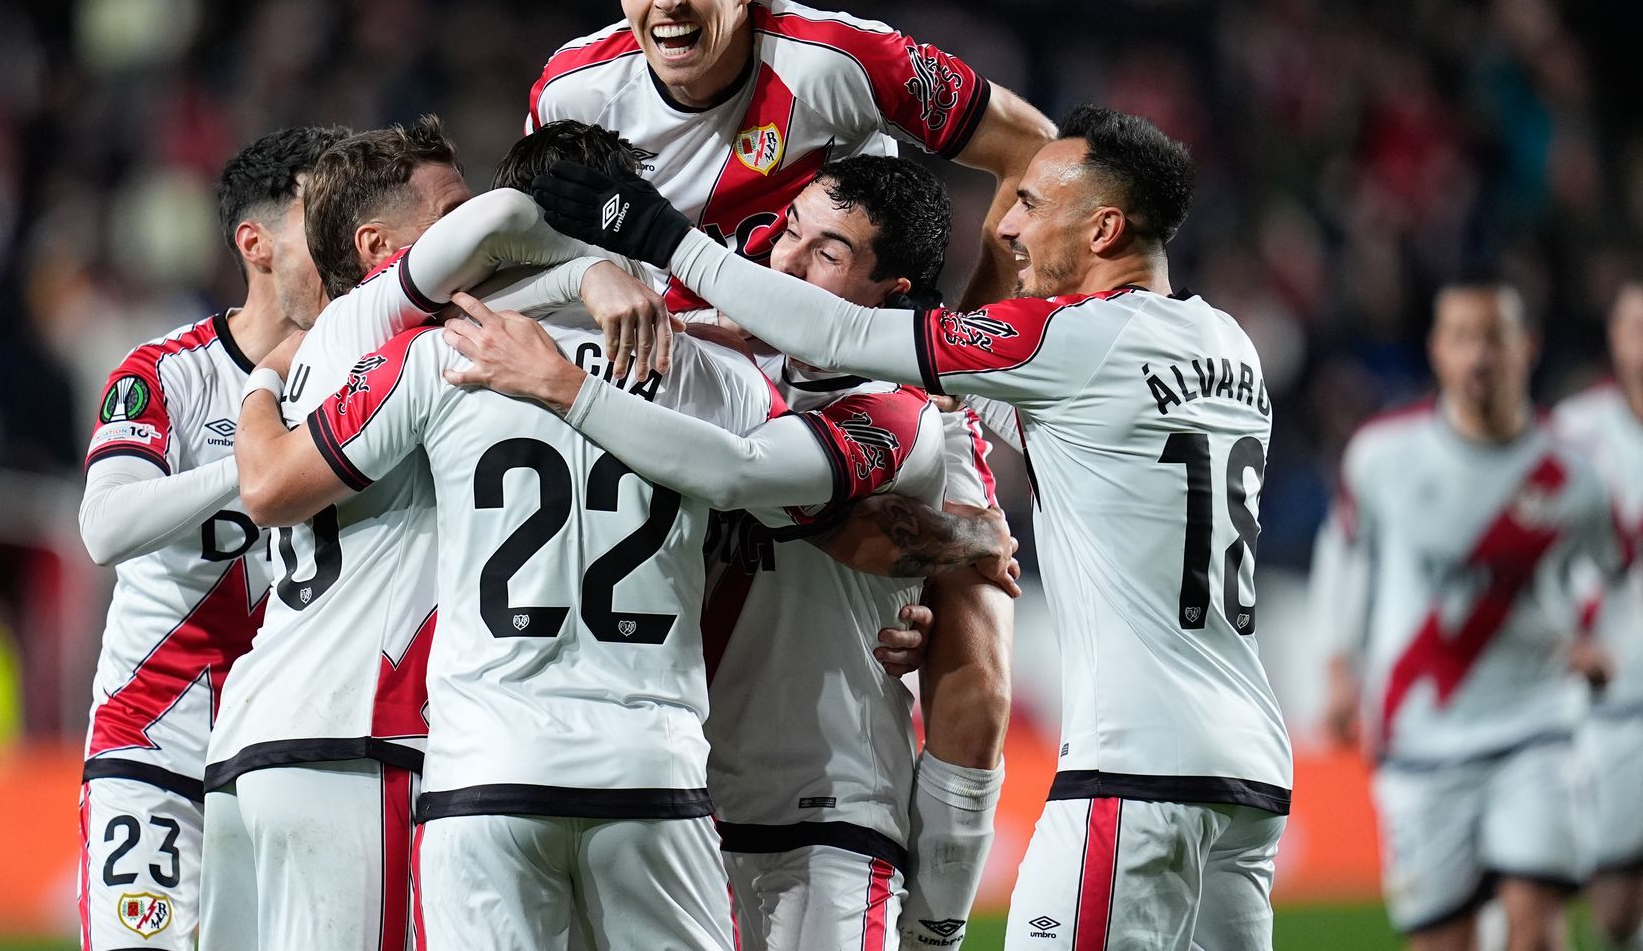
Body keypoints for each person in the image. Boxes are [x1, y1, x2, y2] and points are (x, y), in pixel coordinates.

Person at [526, 104, 1295, 950]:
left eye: (1031, 204)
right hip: (1251, 768)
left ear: (1104, 228)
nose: (1008, 228)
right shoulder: (1227, 343)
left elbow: (846, 335)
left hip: (1136, 765)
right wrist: (947, 541)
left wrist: (659, 235)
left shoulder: (1073, 339)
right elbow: (978, 403)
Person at [443, 153, 1014, 951]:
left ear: (892, 295)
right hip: (669, 801)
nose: (785, 262)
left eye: (827, 254)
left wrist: (940, 919)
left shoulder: (905, 414)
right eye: (789, 230)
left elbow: (738, 473)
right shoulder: (703, 339)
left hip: (823, 812)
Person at [198, 117, 668, 951]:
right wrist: (590, 266)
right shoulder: (382, 323)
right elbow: (507, 221)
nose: (478, 224)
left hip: (263, 733)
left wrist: (259, 383)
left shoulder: (332, 351)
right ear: (379, 248)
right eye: (451, 212)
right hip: (357, 733)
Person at [529, 0, 1055, 316]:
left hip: (833, 369)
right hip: (669, 363)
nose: (667, 0)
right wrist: (590, 275)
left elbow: (1031, 144)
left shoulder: (837, 62)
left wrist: (973, 329)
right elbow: (528, 237)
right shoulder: (571, 91)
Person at [75, 124, 348, 951]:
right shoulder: (167, 374)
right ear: (255, 244)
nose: (346, 244)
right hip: (157, 743)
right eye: (322, 224)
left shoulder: (367, 377)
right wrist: (263, 463)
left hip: (295, 751)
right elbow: (105, 527)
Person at [1315, 277, 1620, 951]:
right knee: (1445, 942)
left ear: (1526, 347)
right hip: (1422, 735)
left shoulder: (1575, 471)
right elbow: (1344, 557)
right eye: (1461, 338)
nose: (1478, 357)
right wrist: (1339, 668)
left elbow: (1612, 570)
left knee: (1535, 928)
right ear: (1437, 350)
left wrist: (1597, 640)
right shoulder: (1382, 457)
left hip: (1539, 724)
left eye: (1494, 338)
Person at [1552, 279, 1643, 950]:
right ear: (1613, 336)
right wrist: (1565, 636)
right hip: (1610, 700)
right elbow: (1539, 547)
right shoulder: (1577, 432)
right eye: (1635, 325)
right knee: (1614, 906)